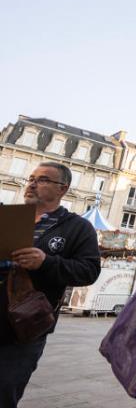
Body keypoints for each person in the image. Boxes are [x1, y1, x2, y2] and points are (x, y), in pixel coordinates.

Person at [0, 162, 101, 407]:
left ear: (62, 189)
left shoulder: (78, 227)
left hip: (24, 327)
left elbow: (89, 271)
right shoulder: (7, 216)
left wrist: (46, 262)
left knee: (3, 392)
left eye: (43, 180)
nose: (32, 184)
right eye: (31, 178)